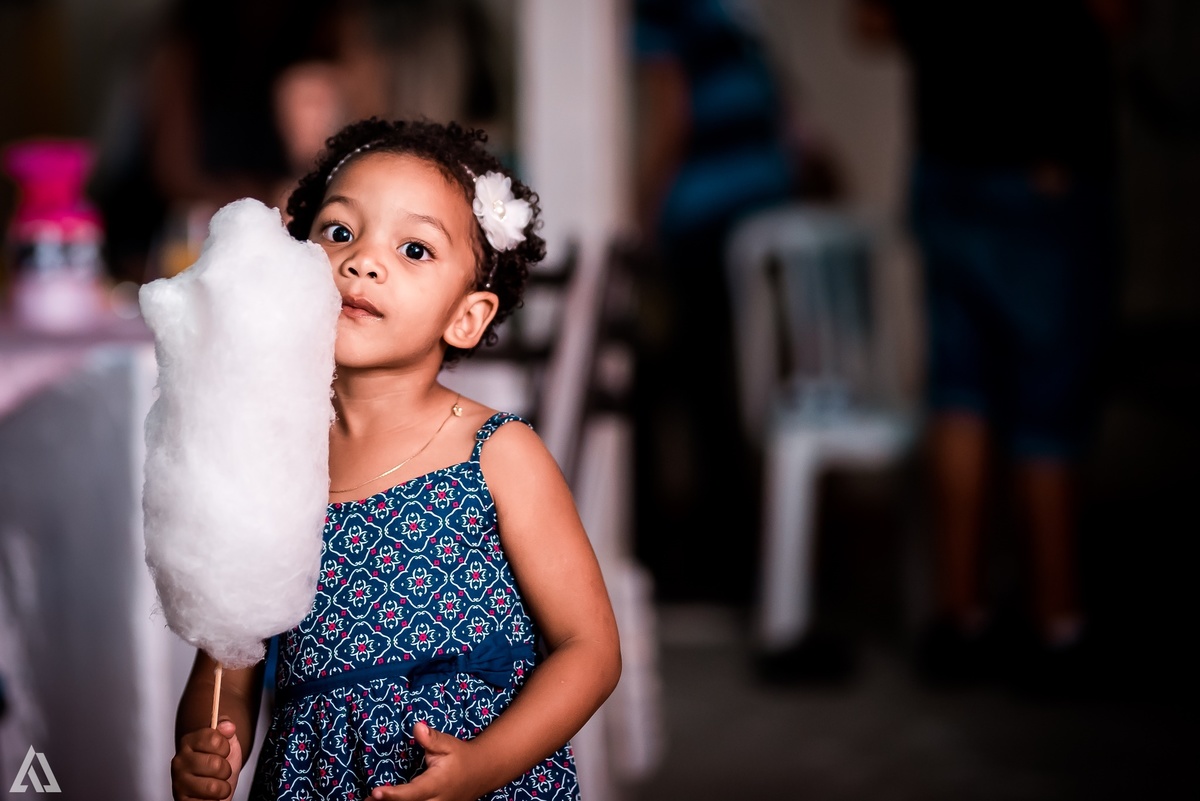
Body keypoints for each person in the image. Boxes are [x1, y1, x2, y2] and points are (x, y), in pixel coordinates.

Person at [168, 118, 622, 801]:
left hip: (479, 775)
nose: (363, 261)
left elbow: (591, 650)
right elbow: (226, 673)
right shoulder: (264, 465)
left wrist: (481, 766)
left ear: (466, 317)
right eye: (339, 232)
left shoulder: (497, 453)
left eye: (414, 248)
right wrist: (208, 748)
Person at [854, 0, 1131, 690]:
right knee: (1048, 409)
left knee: (961, 393)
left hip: (948, 162)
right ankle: (1059, 627)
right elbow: (1116, 11)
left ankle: (962, 620)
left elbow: (872, 22)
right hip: (1042, 167)